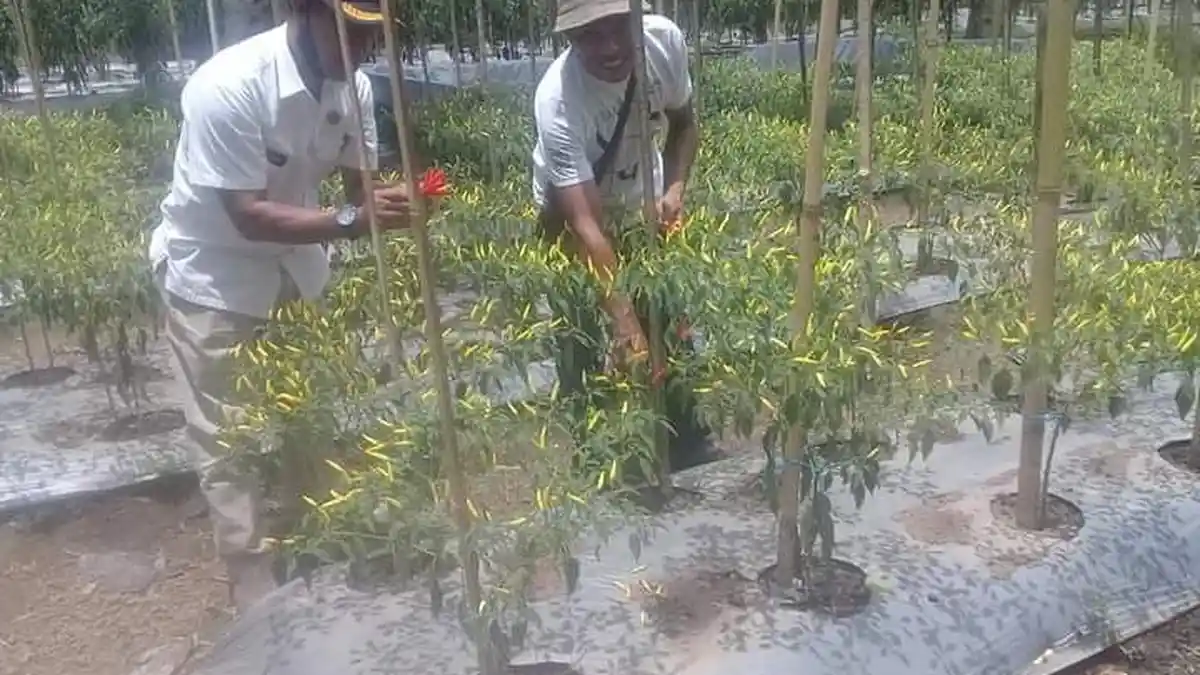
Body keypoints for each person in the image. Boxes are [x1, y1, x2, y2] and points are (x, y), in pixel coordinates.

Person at [149, 0, 420, 612]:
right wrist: (354, 219)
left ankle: (319, 531)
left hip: (296, 271)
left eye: (375, 34)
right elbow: (246, 216)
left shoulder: (356, 87)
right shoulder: (227, 86)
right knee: (226, 433)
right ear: (303, 10)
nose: (364, 47)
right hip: (215, 276)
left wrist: (397, 202)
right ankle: (248, 568)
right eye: (350, 30)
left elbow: (359, 190)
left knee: (313, 410)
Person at [531, 0, 717, 475]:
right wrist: (624, 322)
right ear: (568, 38)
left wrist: (674, 190)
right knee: (584, 339)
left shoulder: (663, 42)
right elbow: (586, 225)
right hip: (575, 219)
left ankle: (686, 446)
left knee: (669, 323)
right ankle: (599, 464)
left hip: (642, 203)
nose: (611, 46)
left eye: (619, 26)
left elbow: (683, 124)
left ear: (638, 18)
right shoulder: (557, 100)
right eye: (591, 35)